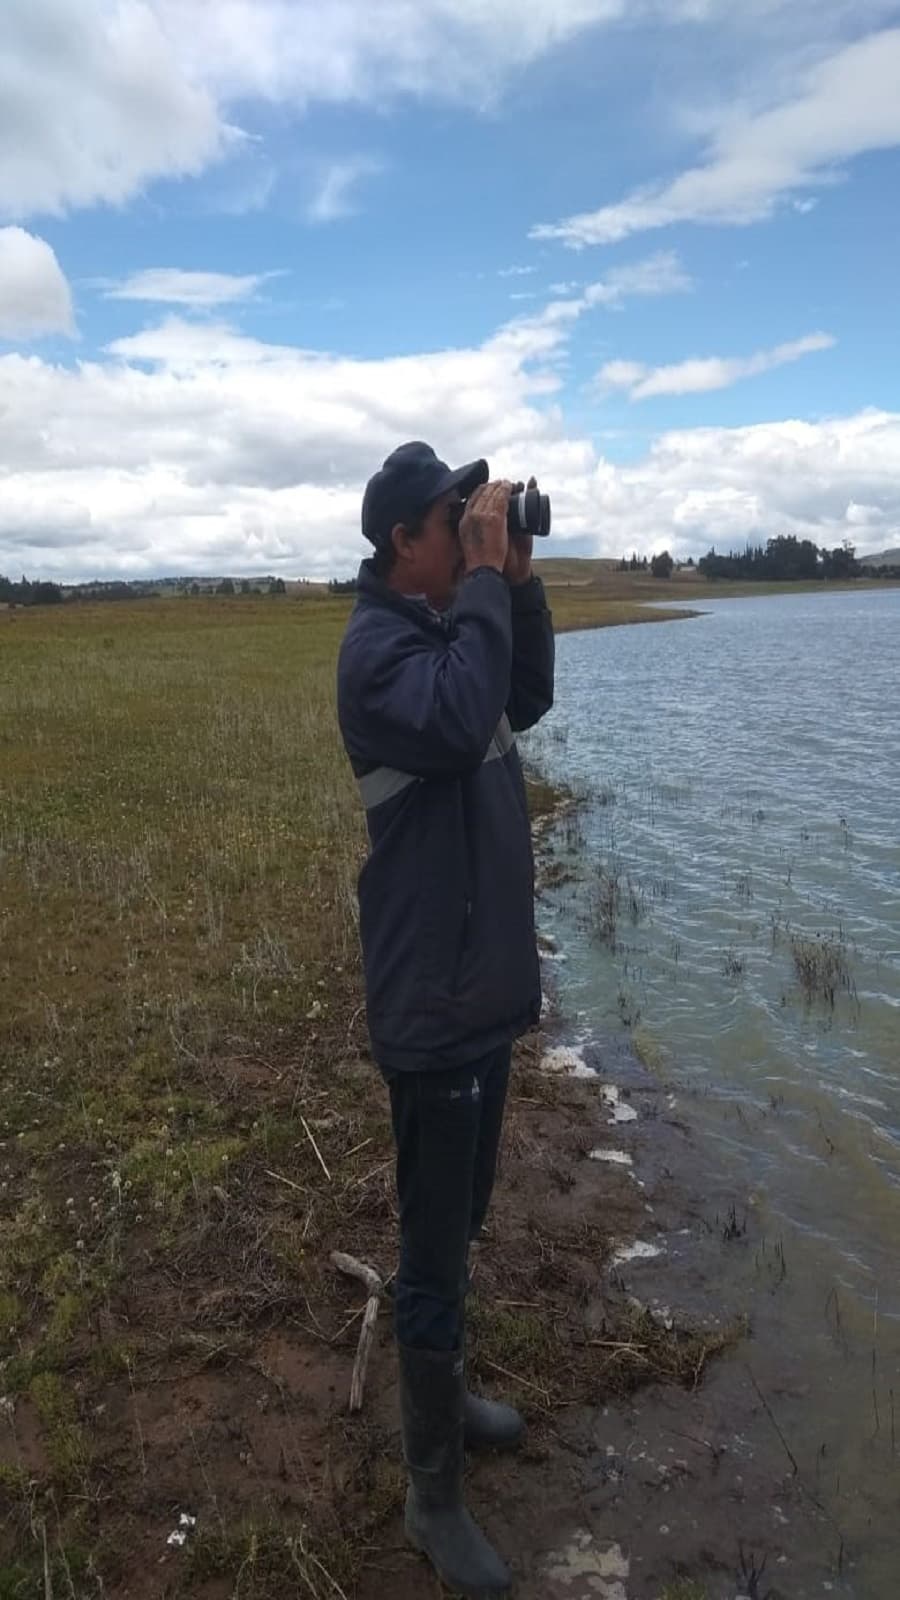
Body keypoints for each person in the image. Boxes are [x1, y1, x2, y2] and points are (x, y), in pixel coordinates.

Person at [336, 441, 555, 1596]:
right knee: (428, 1250)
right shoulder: (378, 654)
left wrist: (517, 579)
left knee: (460, 1213)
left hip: (477, 983)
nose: (470, 528)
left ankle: (448, 1390)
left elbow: (523, 695)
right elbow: (468, 710)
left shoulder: (449, 628)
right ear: (401, 542)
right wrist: (483, 586)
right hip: (432, 993)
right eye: (453, 521)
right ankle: (432, 1497)